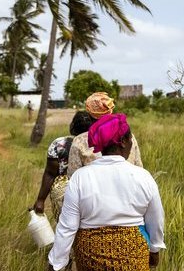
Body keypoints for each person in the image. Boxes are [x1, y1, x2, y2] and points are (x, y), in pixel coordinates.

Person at [48, 114, 166, 271]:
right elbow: (155, 219)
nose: (132, 143)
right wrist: (155, 249)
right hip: (133, 254)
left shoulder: (80, 177)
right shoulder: (143, 176)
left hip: (90, 254)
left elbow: (67, 226)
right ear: (123, 142)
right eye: (130, 139)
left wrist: (56, 263)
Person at [33, 111, 95, 221]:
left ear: (72, 126)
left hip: (64, 194)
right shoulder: (99, 144)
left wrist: (40, 200)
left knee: (66, 229)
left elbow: (50, 173)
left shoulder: (59, 144)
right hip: (92, 193)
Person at [67, 92, 142, 178]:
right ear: (111, 112)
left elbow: (73, 177)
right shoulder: (127, 137)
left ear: (89, 115)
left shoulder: (79, 140)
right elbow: (138, 168)